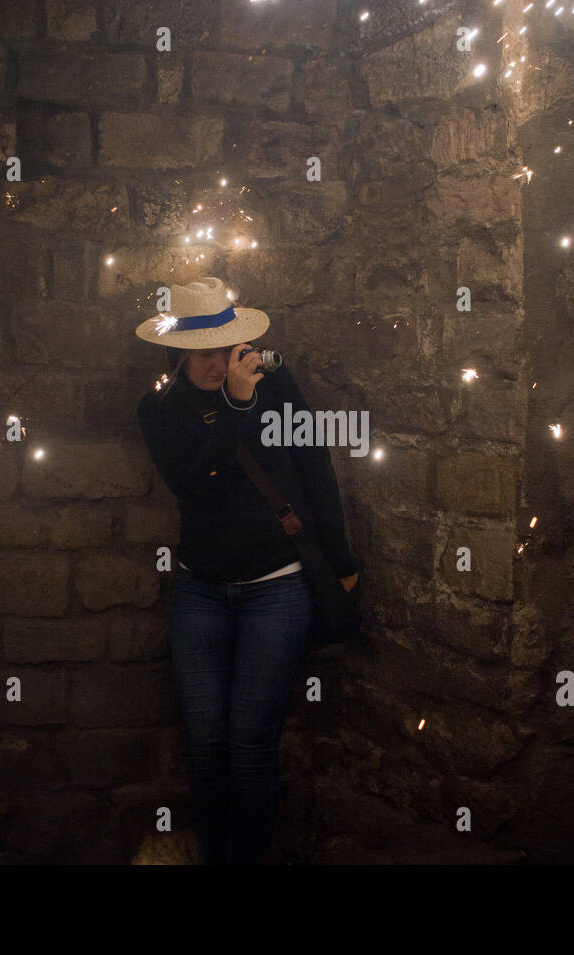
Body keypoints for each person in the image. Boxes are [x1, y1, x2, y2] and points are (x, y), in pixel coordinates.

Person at [134, 277, 359, 865]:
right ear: (179, 351)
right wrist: (234, 405)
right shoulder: (161, 408)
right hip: (200, 592)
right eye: (203, 351)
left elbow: (314, 468)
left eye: (224, 346)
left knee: (252, 744)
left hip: (277, 588)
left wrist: (340, 559)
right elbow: (195, 486)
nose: (215, 362)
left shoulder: (275, 385)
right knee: (206, 745)